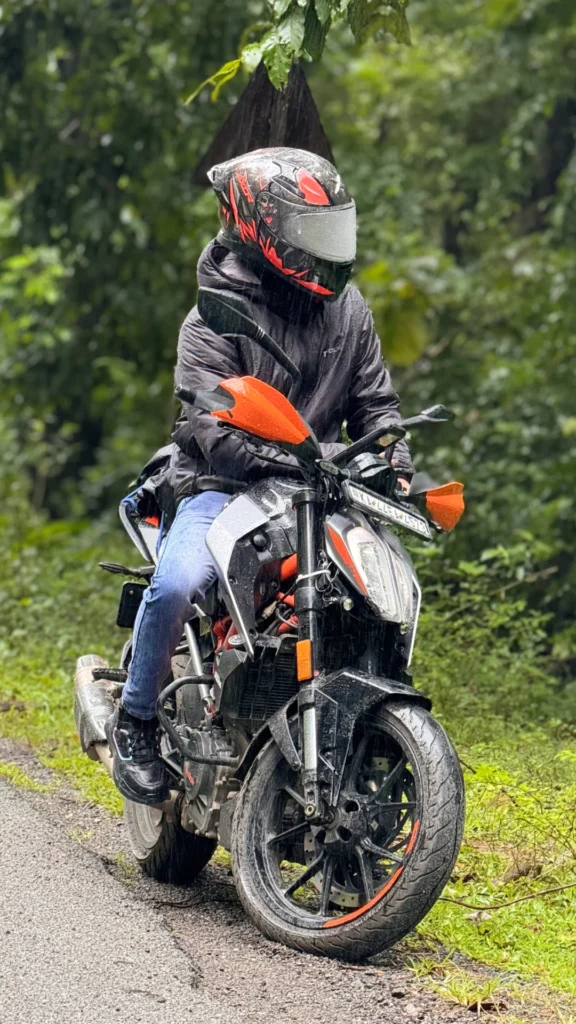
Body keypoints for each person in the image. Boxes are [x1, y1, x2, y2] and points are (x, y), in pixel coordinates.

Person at [106, 147, 413, 805]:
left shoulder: (349, 312)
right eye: (313, 233)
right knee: (178, 582)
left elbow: (378, 408)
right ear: (265, 230)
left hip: (317, 493)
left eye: (334, 230)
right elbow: (208, 430)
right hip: (219, 486)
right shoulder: (210, 318)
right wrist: (290, 459)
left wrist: (395, 465)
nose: (329, 248)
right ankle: (133, 719)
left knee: (371, 592)